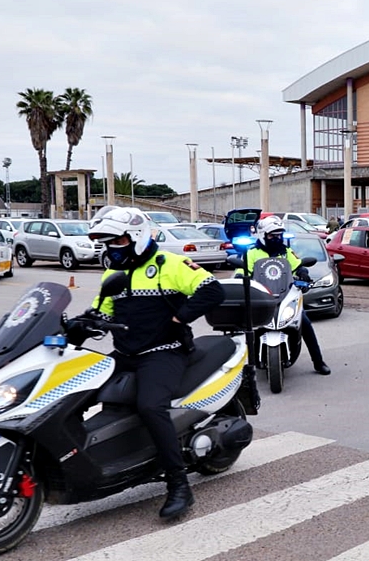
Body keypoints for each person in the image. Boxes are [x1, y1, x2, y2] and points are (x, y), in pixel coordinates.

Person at [84, 207, 225, 520]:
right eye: (108, 243)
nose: (112, 248)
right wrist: (79, 324)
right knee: (77, 388)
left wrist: (180, 316)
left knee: (150, 406)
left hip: (164, 351)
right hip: (125, 354)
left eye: (117, 241)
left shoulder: (169, 264)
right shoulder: (112, 274)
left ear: (135, 236)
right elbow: (103, 313)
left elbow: (211, 290)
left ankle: (178, 484)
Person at [246, 216, 331, 376]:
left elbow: (297, 265)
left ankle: (318, 362)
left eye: (278, 235)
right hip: (260, 298)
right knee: (247, 327)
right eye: (272, 235)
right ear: (263, 235)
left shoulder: (285, 252)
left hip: (284, 296)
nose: (276, 238)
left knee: (304, 323)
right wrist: (240, 279)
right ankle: (249, 365)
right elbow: (243, 271)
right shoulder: (252, 253)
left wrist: (303, 272)